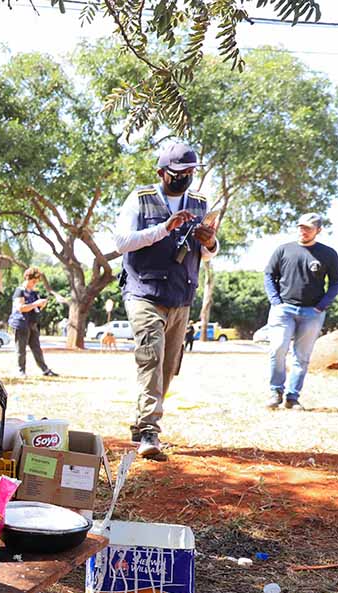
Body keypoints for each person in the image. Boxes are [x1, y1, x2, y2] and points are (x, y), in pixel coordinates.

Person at [113, 142, 218, 459]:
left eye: (190, 172)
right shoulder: (140, 199)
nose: (185, 177)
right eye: (178, 172)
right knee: (151, 357)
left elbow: (209, 254)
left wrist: (210, 241)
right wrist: (163, 228)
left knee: (169, 366)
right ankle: (149, 430)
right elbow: (121, 242)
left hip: (181, 295)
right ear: (162, 173)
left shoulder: (199, 203)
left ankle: (140, 421)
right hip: (143, 292)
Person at [263, 212, 338, 410]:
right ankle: (276, 392)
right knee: (278, 348)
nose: (303, 231)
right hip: (283, 310)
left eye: (308, 228)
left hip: (312, 313)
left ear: (318, 230)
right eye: (300, 226)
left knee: (302, 356)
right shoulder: (283, 250)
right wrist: (276, 301)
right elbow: (269, 275)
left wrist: (322, 305)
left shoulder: (328, 253)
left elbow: (336, 281)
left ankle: (292, 397)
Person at [9, 267, 58, 378]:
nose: (34, 283)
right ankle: (21, 370)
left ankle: (45, 369)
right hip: (21, 323)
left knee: (36, 348)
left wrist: (42, 304)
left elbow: (36, 308)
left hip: (32, 323)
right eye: (33, 281)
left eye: (36, 281)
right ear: (27, 278)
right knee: (21, 349)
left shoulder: (34, 292)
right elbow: (20, 308)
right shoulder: (20, 291)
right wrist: (36, 303)